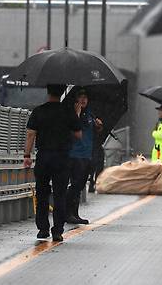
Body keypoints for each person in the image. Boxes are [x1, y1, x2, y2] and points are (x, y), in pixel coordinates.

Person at [24, 84, 82, 242]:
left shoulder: (39, 111)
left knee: (42, 193)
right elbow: (78, 135)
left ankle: (43, 229)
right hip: (62, 158)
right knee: (60, 194)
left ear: (47, 92)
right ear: (63, 92)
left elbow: (30, 134)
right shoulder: (68, 112)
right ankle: (57, 230)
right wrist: (76, 115)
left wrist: (27, 155)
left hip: (43, 157)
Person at [66, 88, 103, 225]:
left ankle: (75, 213)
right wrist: (76, 114)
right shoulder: (72, 113)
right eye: (80, 97)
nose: (83, 100)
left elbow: (94, 132)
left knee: (80, 185)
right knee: (75, 184)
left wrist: (99, 127)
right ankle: (67, 212)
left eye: (85, 97)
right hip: (75, 154)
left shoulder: (89, 114)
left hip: (87, 154)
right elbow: (69, 130)